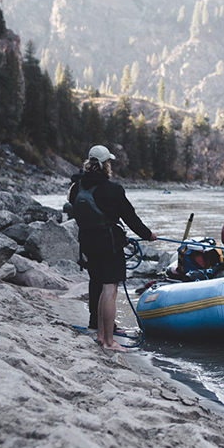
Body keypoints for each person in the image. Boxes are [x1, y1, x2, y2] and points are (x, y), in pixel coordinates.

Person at [69, 145, 156, 351]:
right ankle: (109, 341)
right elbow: (130, 218)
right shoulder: (113, 190)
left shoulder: (76, 188)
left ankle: (101, 336)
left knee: (100, 288)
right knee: (109, 291)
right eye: (109, 162)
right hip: (109, 246)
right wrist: (148, 235)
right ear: (105, 164)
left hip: (88, 245)